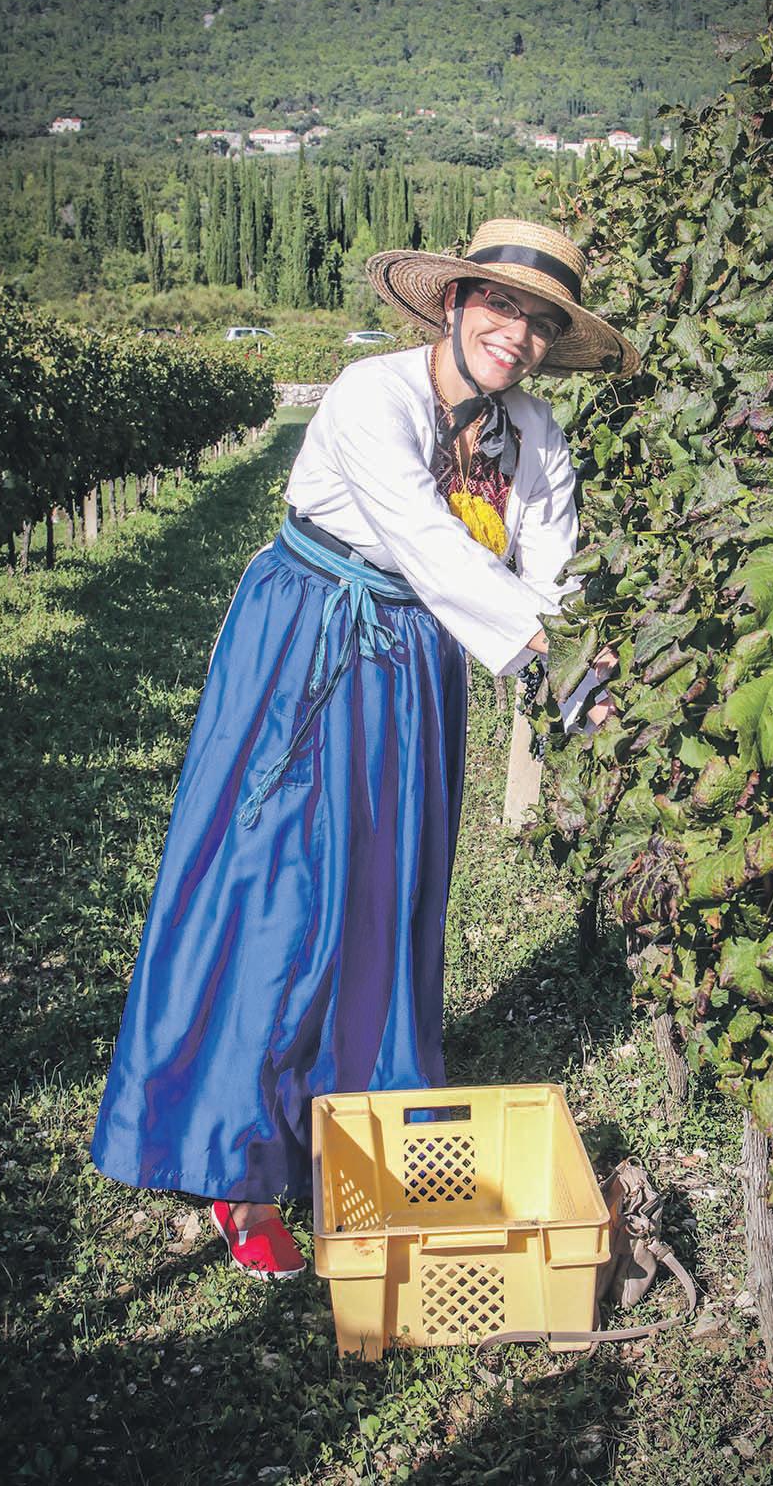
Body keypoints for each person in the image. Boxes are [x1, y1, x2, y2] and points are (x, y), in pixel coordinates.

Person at [90, 219, 639, 1279]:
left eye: (539, 322)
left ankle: (360, 1130)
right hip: (308, 640)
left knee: (385, 889)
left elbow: (552, 571)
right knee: (276, 887)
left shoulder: (534, 433)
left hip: (416, 660)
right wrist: (554, 659)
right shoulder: (368, 395)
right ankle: (236, 1165)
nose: (516, 335)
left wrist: (592, 675)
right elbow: (427, 544)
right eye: (500, 305)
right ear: (455, 303)